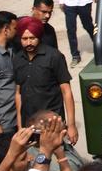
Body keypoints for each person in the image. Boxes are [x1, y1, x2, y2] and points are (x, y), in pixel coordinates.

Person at [13, 15, 77, 144]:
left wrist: (71, 125)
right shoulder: (17, 59)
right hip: (29, 126)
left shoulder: (54, 56)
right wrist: (20, 127)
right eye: (24, 39)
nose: (28, 42)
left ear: (39, 37)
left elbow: (66, 92)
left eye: (32, 38)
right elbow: (19, 94)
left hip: (52, 125)